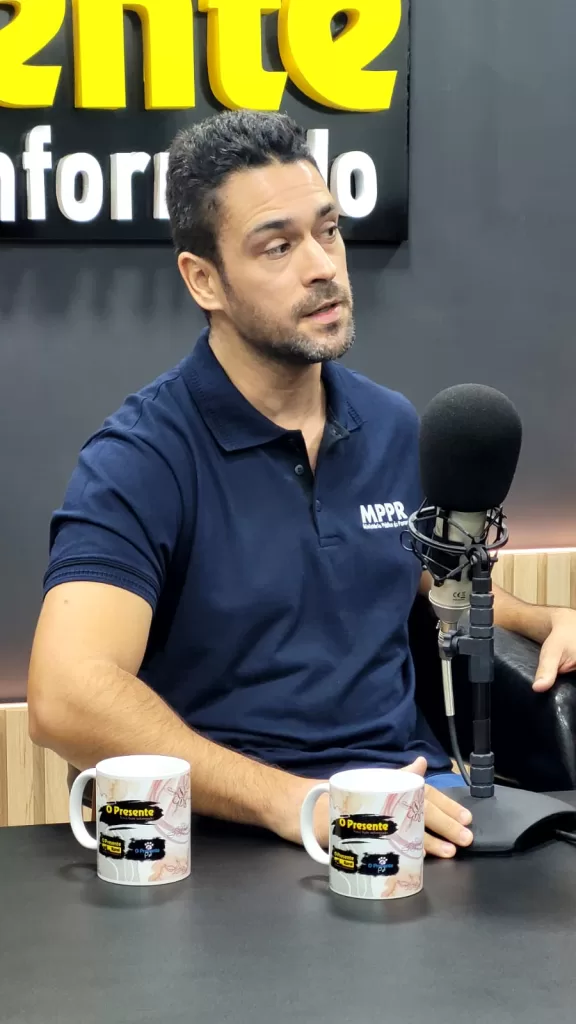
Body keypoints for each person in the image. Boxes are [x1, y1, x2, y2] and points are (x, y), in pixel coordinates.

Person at [28, 112, 576, 859]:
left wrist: (547, 620)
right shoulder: (142, 456)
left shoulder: (390, 425)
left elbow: (424, 582)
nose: (322, 266)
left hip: (414, 802)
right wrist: (297, 803)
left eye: (328, 230)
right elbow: (65, 694)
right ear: (204, 280)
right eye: (278, 246)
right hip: (240, 837)